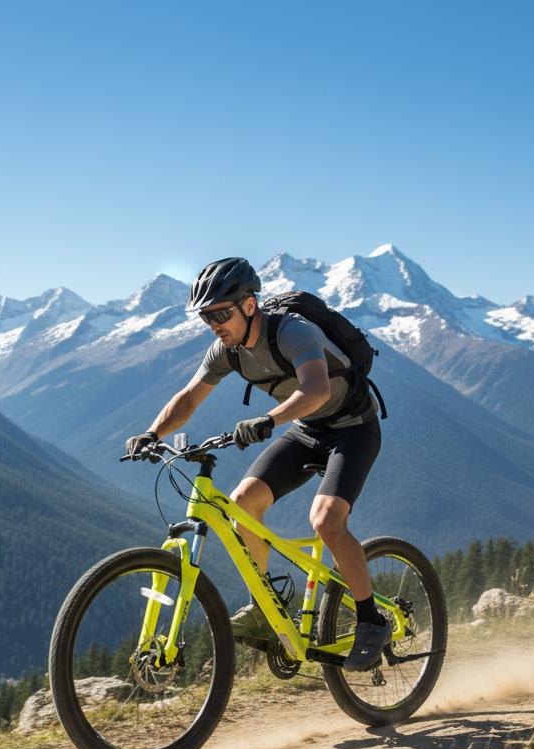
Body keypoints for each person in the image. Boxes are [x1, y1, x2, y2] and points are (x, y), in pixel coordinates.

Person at [125, 257, 388, 673]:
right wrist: (152, 433)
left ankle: (372, 620)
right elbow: (189, 398)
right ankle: (265, 606)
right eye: (206, 317)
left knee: (325, 520)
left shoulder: (292, 331)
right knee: (242, 501)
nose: (213, 323)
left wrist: (268, 420)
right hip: (306, 430)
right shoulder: (227, 350)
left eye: (220, 313)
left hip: (353, 429)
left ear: (249, 305)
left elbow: (317, 389)